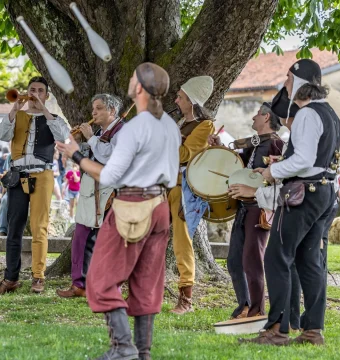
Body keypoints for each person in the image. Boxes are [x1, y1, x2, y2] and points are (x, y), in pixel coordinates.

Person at [56, 62, 179, 360]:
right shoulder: (169, 125)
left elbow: (111, 176)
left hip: (133, 205)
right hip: (161, 206)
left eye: (132, 78)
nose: (128, 80)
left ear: (140, 87)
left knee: (99, 279)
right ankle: (143, 353)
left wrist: (77, 155)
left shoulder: (136, 127)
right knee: (146, 281)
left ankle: (123, 347)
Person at [243, 59, 340, 346]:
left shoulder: (308, 114)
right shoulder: (330, 114)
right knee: (309, 261)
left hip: (304, 194)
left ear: (301, 82)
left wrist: (271, 171)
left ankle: (277, 329)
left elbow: (303, 160)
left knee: (276, 257)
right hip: (322, 193)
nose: (285, 84)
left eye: (289, 79)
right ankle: (312, 330)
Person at [0, 76, 70, 295]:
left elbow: (63, 137)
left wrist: (43, 108)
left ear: (47, 95)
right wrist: (14, 109)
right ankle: (10, 278)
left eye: (40, 91)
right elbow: (1, 134)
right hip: (17, 174)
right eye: (31, 89)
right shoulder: (17, 116)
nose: (34, 94)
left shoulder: (54, 118)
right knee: (14, 226)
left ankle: (38, 276)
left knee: (39, 226)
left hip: (42, 174)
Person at [208, 103, 284, 320]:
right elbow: (237, 165)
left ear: (266, 117)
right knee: (234, 260)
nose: (252, 117)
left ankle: (256, 311)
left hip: (260, 209)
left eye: (257, 114)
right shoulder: (255, 143)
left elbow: (279, 180)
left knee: (252, 260)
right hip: (244, 209)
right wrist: (221, 146)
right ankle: (245, 305)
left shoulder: (277, 145)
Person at [56, 93, 124, 299]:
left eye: (99, 108)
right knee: (82, 237)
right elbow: (95, 156)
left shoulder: (123, 131)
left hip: (110, 192)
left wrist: (90, 139)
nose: (93, 112)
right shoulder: (101, 131)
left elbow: (112, 156)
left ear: (112, 111)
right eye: (93, 108)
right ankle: (80, 284)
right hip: (91, 190)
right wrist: (77, 148)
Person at [168, 76, 216, 314]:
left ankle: (186, 298)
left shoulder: (205, 126)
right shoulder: (177, 124)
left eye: (181, 97)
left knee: (182, 242)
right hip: (162, 186)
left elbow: (184, 154)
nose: (176, 99)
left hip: (183, 188)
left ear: (192, 102)